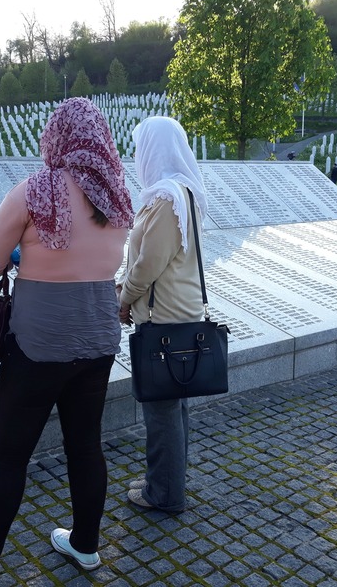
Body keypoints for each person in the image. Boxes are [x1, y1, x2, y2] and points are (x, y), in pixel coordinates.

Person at [0, 98, 134, 585]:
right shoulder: (119, 197)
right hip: (99, 342)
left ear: (57, 136)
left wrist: (25, 252)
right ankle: (86, 546)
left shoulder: (33, 192)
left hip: (38, 345)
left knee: (10, 454)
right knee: (86, 447)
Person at [117, 116, 208, 514]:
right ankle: (166, 480)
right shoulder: (177, 193)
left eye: (142, 147)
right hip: (178, 315)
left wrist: (123, 298)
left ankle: (165, 494)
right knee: (173, 408)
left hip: (165, 320)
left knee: (163, 411)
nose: (139, 156)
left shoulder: (169, 199)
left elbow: (149, 264)